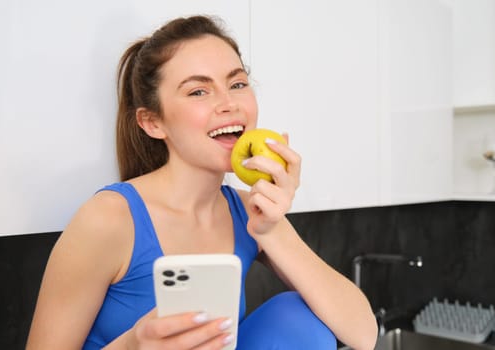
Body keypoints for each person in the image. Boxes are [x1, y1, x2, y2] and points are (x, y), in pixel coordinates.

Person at [26, 15, 377, 350]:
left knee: (296, 318)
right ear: (152, 123)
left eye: (237, 84)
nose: (228, 103)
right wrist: (134, 344)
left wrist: (270, 231)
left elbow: (363, 335)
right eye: (198, 92)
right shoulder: (108, 219)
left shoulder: (247, 212)